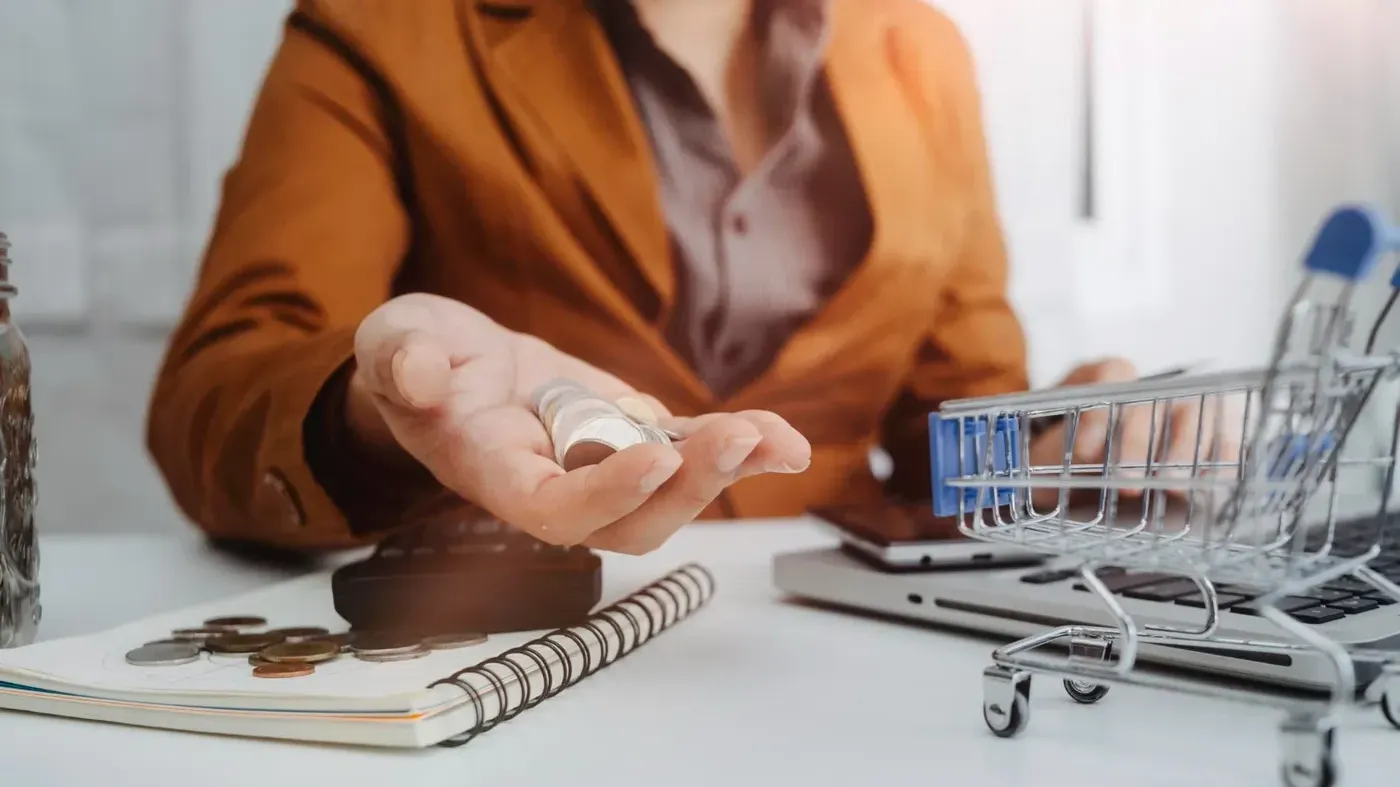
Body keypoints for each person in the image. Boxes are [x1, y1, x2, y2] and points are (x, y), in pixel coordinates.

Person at [146, 0, 1230, 555]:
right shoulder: (384, 29)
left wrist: (1069, 445)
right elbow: (218, 390)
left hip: (833, 665)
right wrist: (385, 409)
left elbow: (955, 421)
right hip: (525, 645)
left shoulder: (919, 48)